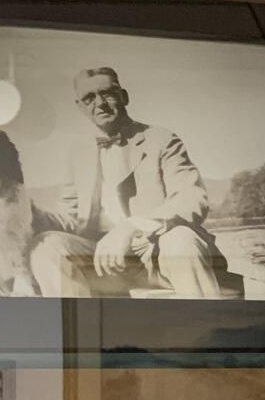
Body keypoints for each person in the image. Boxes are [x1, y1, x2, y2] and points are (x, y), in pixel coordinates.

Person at [29, 65, 241, 299]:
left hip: (157, 254)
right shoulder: (77, 154)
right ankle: (75, 320)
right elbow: (70, 220)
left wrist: (130, 227)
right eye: (89, 98)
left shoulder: (162, 140)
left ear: (124, 97)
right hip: (102, 263)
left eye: (107, 94)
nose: (100, 104)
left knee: (182, 238)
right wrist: (24, 210)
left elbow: (191, 198)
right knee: (47, 245)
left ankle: (207, 320)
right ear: (80, 107)